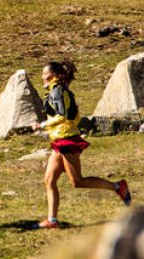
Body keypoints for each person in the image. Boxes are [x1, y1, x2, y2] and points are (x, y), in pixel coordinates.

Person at [35, 60, 131, 229]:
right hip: (60, 140)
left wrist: (42, 125)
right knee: (49, 180)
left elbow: (62, 116)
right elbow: (76, 116)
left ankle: (117, 186)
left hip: (67, 140)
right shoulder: (61, 91)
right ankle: (52, 220)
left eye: (46, 74)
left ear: (55, 76)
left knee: (77, 181)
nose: (43, 76)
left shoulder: (57, 91)